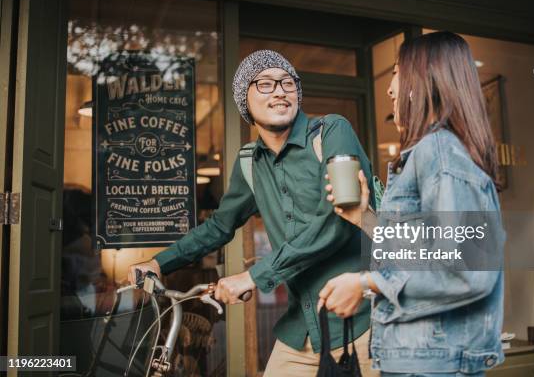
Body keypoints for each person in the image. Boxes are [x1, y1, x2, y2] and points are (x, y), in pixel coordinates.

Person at [129, 50, 378, 376]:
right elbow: (220, 225)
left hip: (361, 323)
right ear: (243, 100)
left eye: (288, 83)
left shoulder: (331, 132)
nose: (279, 91)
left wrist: (253, 277)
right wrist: (159, 263)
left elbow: (338, 220)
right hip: (299, 329)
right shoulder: (249, 162)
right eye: (264, 83)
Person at [318, 32, 505, 377]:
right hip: (420, 360)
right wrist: (364, 217)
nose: (389, 89)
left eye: (396, 72)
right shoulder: (433, 153)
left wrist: (363, 283)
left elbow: (468, 269)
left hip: (431, 363)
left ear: (424, 80)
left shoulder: (439, 151)